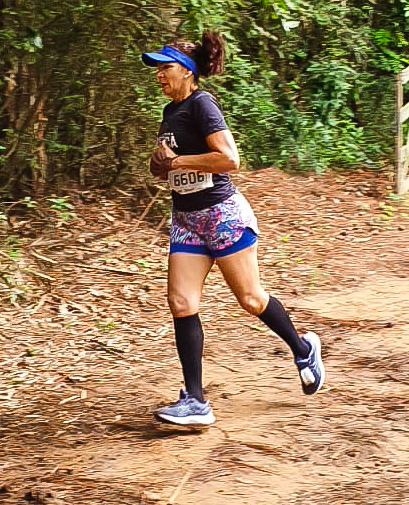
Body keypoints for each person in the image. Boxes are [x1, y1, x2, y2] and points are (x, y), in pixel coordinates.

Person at [141, 30, 325, 426]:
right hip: (187, 220)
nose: (159, 74)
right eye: (157, 68)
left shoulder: (202, 104)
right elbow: (172, 165)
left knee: (251, 300)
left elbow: (229, 159)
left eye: (166, 67)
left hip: (222, 216)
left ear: (188, 72)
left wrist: (176, 163)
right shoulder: (171, 113)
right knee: (181, 303)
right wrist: (161, 164)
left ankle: (303, 348)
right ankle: (195, 399)